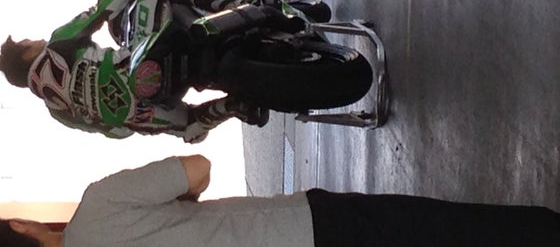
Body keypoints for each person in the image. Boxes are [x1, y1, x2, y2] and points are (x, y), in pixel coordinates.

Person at [0, 0, 268, 143]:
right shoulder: (57, 46)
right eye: (26, 41)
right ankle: (233, 2)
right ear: (26, 55)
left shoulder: (58, 112)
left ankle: (233, 106)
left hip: (137, 109)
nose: (34, 39)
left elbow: (112, 131)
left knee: (189, 128)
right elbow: (102, 10)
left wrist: (134, 117)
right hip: (136, 60)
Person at [2, 155, 559, 247]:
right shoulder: (101, 204)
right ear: (23, 226)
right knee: (446, 229)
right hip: (305, 230)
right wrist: (188, 200)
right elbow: (197, 168)